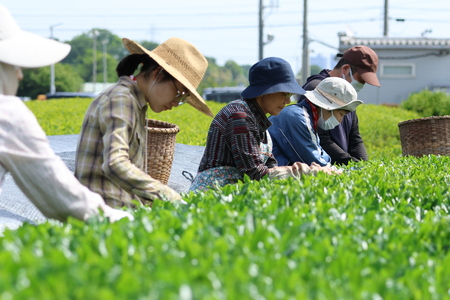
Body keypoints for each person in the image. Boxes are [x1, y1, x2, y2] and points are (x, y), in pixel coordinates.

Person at [0, 5, 132, 222]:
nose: (20, 75)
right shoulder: (7, 114)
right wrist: (130, 221)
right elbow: (67, 201)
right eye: (14, 64)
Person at [75, 37, 213, 207]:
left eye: (183, 98)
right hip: (103, 214)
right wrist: (170, 196)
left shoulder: (135, 103)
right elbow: (115, 163)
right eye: (179, 93)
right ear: (158, 73)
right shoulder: (121, 100)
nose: (177, 103)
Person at [189, 57, 334, 192]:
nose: (288, 101)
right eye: (285, 94)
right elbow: (254, 173)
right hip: (212, 192)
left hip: (231, 193)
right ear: (265, 91)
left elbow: (270, 167)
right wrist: (306, 171)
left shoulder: (257, 119)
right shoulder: (240, 116)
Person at [298, 46, 380, 165]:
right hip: (321, 168)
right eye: (360, 80)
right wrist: (352, 164)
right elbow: (321, 138)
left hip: (340, 167)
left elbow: (355, 139)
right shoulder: (316, 90)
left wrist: (365, 166)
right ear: (346, 69)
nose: (361, 85)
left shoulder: (348, 95)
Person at [268, 77, 363, 167]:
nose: (340, 120)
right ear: (327, 107)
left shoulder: (308, 119)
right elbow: (315, 163)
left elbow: (324, 157)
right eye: (341, 114)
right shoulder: (297, 118)